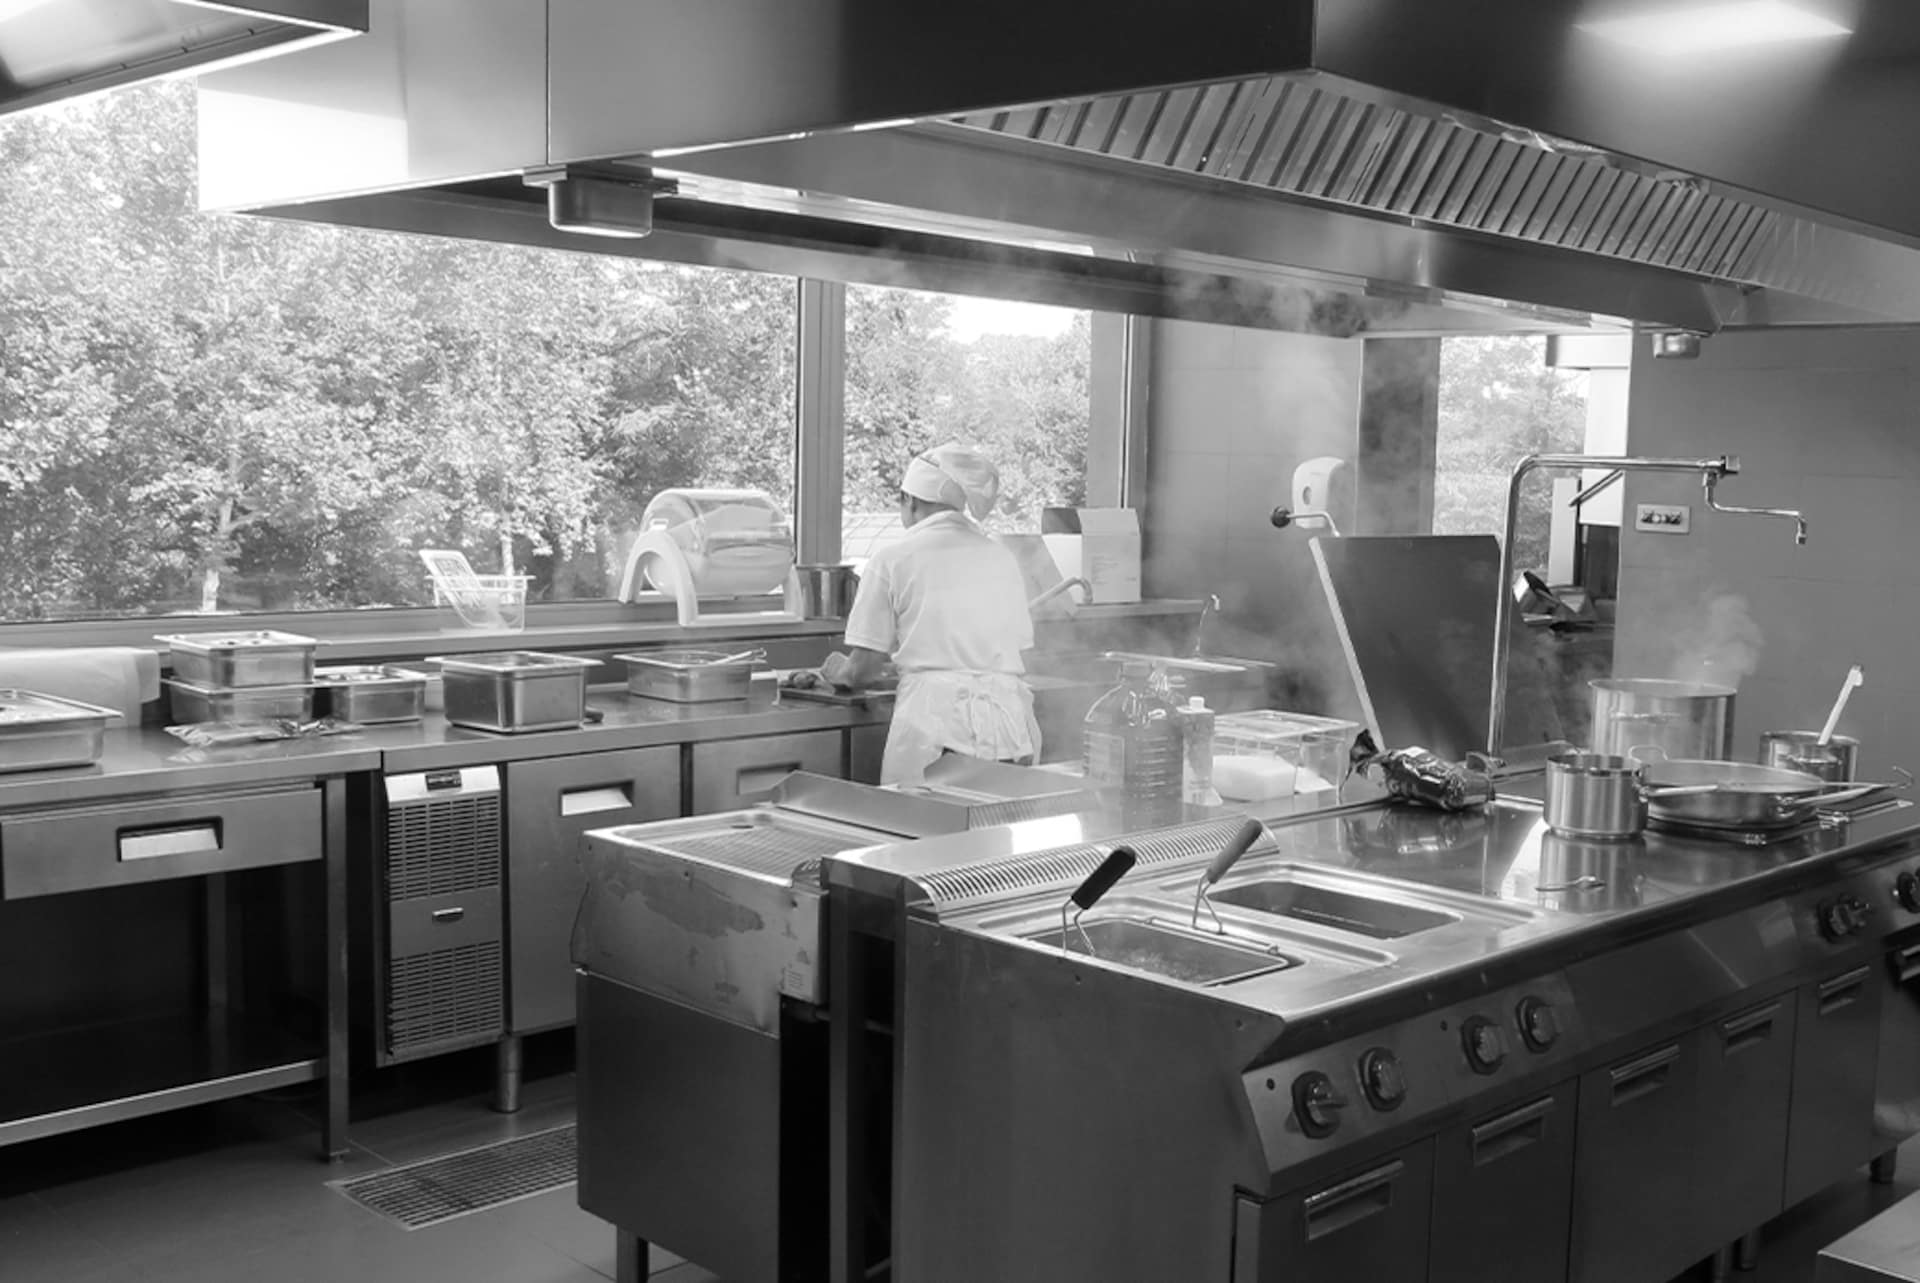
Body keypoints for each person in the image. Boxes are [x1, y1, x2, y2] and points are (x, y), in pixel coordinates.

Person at [824, 442, 1041, 784]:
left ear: (909, 501)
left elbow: (863, 669)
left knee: (927, 818)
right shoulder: (1001, 557)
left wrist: (839, 670)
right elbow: (1019, 649)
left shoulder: (892, 559)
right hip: (1009, 730)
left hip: (936, 729)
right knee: (1001, 816)